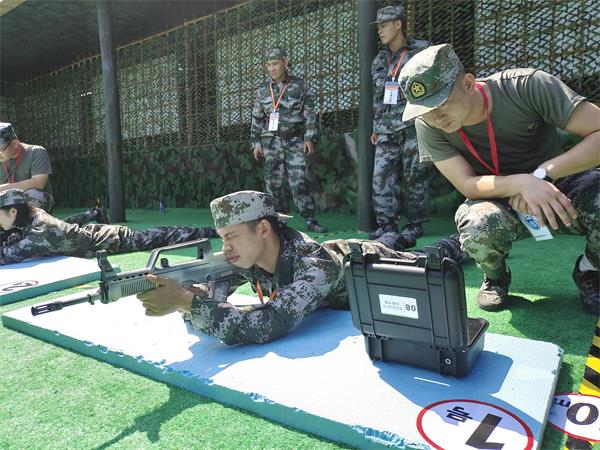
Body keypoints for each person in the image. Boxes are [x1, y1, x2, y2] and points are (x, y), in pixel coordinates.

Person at [397, 43, 600, 314]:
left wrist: (541, 175)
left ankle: (590, 269)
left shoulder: (526, 86)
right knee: (476, 224)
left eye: (442, 102)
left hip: (557, 187)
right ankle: (495, 276)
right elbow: (466, 183)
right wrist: (521, 183)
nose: (436, 117)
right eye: (424, 109)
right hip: (497, 199)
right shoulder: (428, 125)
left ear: (468, 83)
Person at [137, 190, 466, 345]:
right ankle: (398, 235)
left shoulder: (314, 265)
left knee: (436, 257)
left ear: (263, 229)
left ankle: (455, 241)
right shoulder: (247, 257)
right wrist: (194, 293)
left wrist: (187, 303)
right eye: (222, 238)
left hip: (370, 263)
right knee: (394, 238)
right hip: (340, 257)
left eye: (232, 237)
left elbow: (271, 322)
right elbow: (214, 293)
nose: (226, 248)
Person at [0, 189, 217, 265]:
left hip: (111, 240)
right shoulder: (31, 215)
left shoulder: (39, 231)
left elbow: (8, 255)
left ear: (13, 211)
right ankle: (94, 214)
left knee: (162, 236)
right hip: (89, 236)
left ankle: (208, 232)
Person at [369, 5, 430, 240]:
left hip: (414, 123)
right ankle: (386, 225)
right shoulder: (379, 59)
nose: (380, 31)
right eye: (378, 27)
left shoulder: (422, 50)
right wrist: (376, 126)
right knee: (381, 177)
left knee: (415, 175)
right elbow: (378, 97)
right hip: (386, 127)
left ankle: (415, 223)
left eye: (384, 25)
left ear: (398, 24)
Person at [250, 47, 327, 234]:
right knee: (273, 184)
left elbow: (310, 115)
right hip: (271, 143)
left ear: (285, 63)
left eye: (275, 64)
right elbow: (257, 118)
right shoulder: (263, 90)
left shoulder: (300, 86)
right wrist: (256, 143)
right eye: (268, 65)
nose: (272, 68)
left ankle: (310, 219)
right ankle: (278, 222)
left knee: (300, 181)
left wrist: (309, 138)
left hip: (295, 141)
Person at [0, 122, 108, 225]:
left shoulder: (36, 152)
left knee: (33, 197)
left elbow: (38, 183)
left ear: (14, 143)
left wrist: (4, 188)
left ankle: (93, 214)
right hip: (7, 206)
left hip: (34, 203)